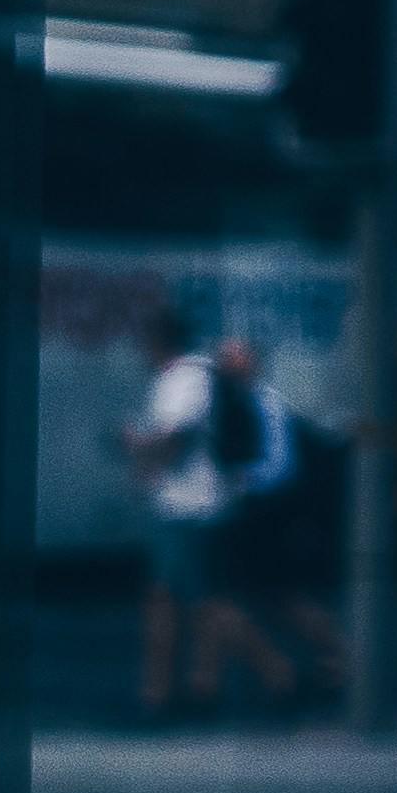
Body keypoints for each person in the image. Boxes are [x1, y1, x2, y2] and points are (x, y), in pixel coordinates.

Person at [125, 306, 296, 717]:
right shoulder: (200, 375)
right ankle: (184, 690)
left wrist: (140, 452)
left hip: (189, 506)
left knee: (201, 604)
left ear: (157, 342)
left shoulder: (183, 379)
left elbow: (174, 438)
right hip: (198, 503)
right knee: (185, 601)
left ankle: (276, 671)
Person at [204, 338, 349, 710]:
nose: (225, 368)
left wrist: (239, 482)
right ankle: (315, 664)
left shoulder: (265, 405)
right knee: (273, 598)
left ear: (252, 365)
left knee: (256, 599)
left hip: (265, 517)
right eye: (223, 362)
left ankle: (307, 667)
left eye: (233, 361)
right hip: (256, 517)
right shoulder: (239, 404)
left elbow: (279, 467)